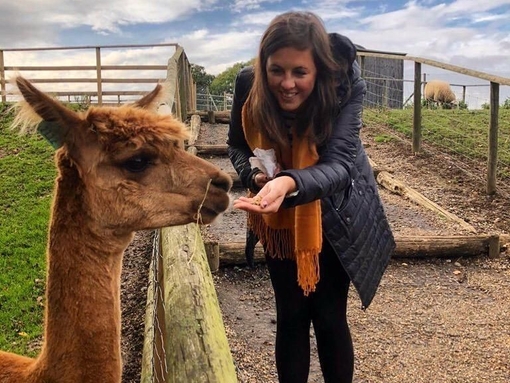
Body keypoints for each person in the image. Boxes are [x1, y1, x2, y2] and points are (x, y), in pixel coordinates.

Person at [227, 11, 395, 383]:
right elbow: (236, 145)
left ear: (318, 68)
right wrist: (253, 176)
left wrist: (287, 183)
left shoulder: (345, 86)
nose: (287, 84)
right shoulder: (247, 85)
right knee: (290, 315)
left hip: (335, 212)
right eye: (276, 71)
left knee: (330, 315)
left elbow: (339, 166)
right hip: (278, 219)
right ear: (263, 65)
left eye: (299, 72)